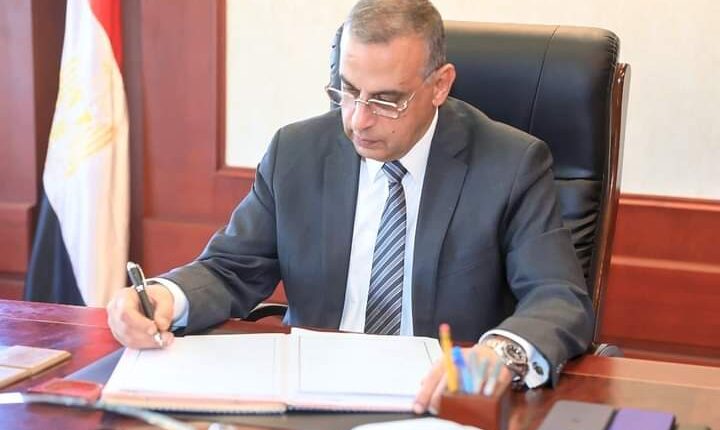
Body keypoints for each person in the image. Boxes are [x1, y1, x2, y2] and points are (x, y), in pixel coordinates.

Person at [107, 0, 593, 414]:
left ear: (440, 85)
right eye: (347, 91)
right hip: (309, 399)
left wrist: (499, 354)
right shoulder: (296, 153)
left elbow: (558, 297)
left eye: (386, 100)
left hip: (440, 403)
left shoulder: (510, 164)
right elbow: (231, 268)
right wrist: (164, 297)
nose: (358, 120)